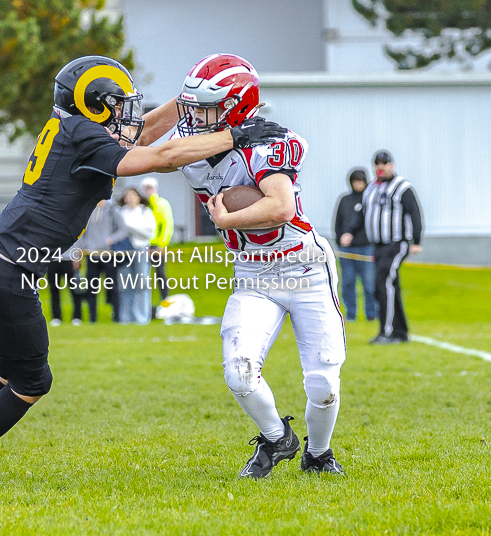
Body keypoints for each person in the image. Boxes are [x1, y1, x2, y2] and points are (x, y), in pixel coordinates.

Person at [0, 55, 286, 483]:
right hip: (10, 272)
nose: (128, 114)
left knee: (4, 372)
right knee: (32, 381)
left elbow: (143, 132)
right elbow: (158, 156)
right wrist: (232, 135)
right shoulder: (85, 135)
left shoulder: (72, 128)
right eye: (119, 105)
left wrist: (188, 102)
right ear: (95, 105)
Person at [167, 53, 346, 477]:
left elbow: (281, 206)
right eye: (190, 106)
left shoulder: (267, 143)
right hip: (253, 271)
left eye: (204, 107)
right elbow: (154, 151)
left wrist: (227, 219)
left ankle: (319, 455)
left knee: (322, 384)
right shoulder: (193, 140)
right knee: (239, 372)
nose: (193, 116)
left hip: (303, 266)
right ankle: (275, 438)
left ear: (236, 107)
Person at [360, 150, 423, 344]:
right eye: (377, 163)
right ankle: (401, 332)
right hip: (377, 245)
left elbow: (415, 213)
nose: (380, 166)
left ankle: (386, 332)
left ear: (392, 165)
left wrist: (417, 241)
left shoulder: (402, 187)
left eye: (384, 163)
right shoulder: (371, 189)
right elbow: (363, 215)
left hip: (396, 243)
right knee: (391, 285)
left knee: (382, 283)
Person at [334, 168, 377, 322]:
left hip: (365, 248)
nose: (358, 184)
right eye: (355, 181)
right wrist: (340, 240)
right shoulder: (344, 200)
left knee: (369, 284)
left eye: (361, 181)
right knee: (348, 283)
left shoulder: (370, 199)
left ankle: (372, 314)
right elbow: (338, 222)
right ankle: (350, 314)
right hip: (346, 250)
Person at [75, 199, 127, 322]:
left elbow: (123, 229)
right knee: (91, 288)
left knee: (112, 287)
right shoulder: (88, 209)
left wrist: (111, 239)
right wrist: (81, 248)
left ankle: (117, 318)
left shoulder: (112, 210)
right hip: (92, 255)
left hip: (108, 254)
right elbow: (82, 232)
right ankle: (92, 319)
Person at [116, 187, 156, 324]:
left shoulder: (145, 212)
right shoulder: (121, 213)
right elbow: (118, 232)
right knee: (125, 284)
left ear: (138, 197)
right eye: (127, 196)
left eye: (133, 195)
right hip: (125, 252)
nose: (130, 198)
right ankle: (126, 317)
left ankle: (142, 317)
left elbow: (149, 233)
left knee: (142, 284)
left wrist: (129, 228)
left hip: (141, 250)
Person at [141, 177, 174, 305]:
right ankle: (145, 304)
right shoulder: (143, 205)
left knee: (160, 274)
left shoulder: (162, 204)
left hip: (157, 245)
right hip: (144, 245)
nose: (148, 191)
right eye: (146, 188)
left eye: (150, 188)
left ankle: (164, 300)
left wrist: (162, 245)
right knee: (143, 275)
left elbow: (167, 225)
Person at [45, 255, 84, 326]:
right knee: (54, 290)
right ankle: (56, 317)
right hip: (53, 260)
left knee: (75, 290)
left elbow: (77, 244)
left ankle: (77, 316)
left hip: (69, 260)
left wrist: (77, 258)